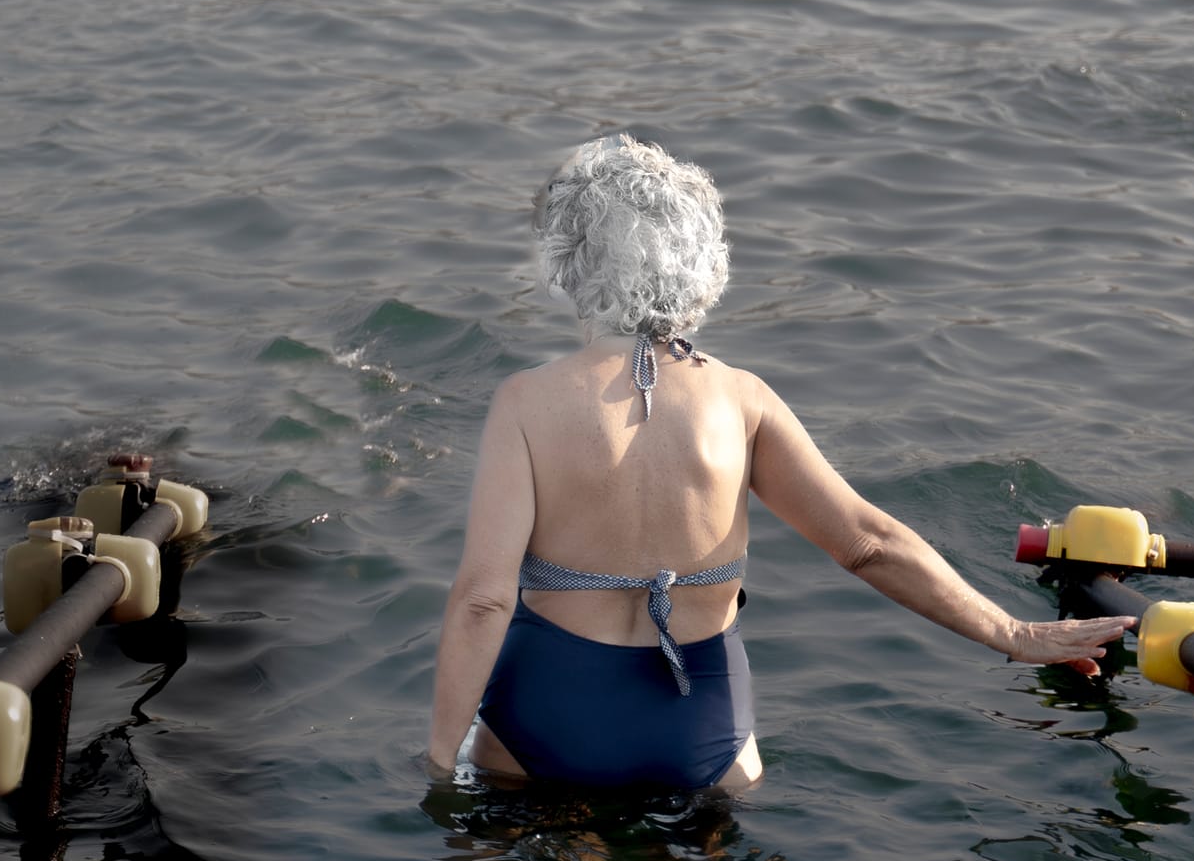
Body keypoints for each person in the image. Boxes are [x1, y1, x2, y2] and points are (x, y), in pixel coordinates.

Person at [428, 132, 1128, 793]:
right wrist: (1015, 632)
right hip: (699, 724)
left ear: (569, 259)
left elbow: (484, 600)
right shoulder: (742, 399)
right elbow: (868, 543)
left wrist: (435, 762)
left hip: (549, 713)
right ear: (701, 260)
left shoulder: (526, 403)